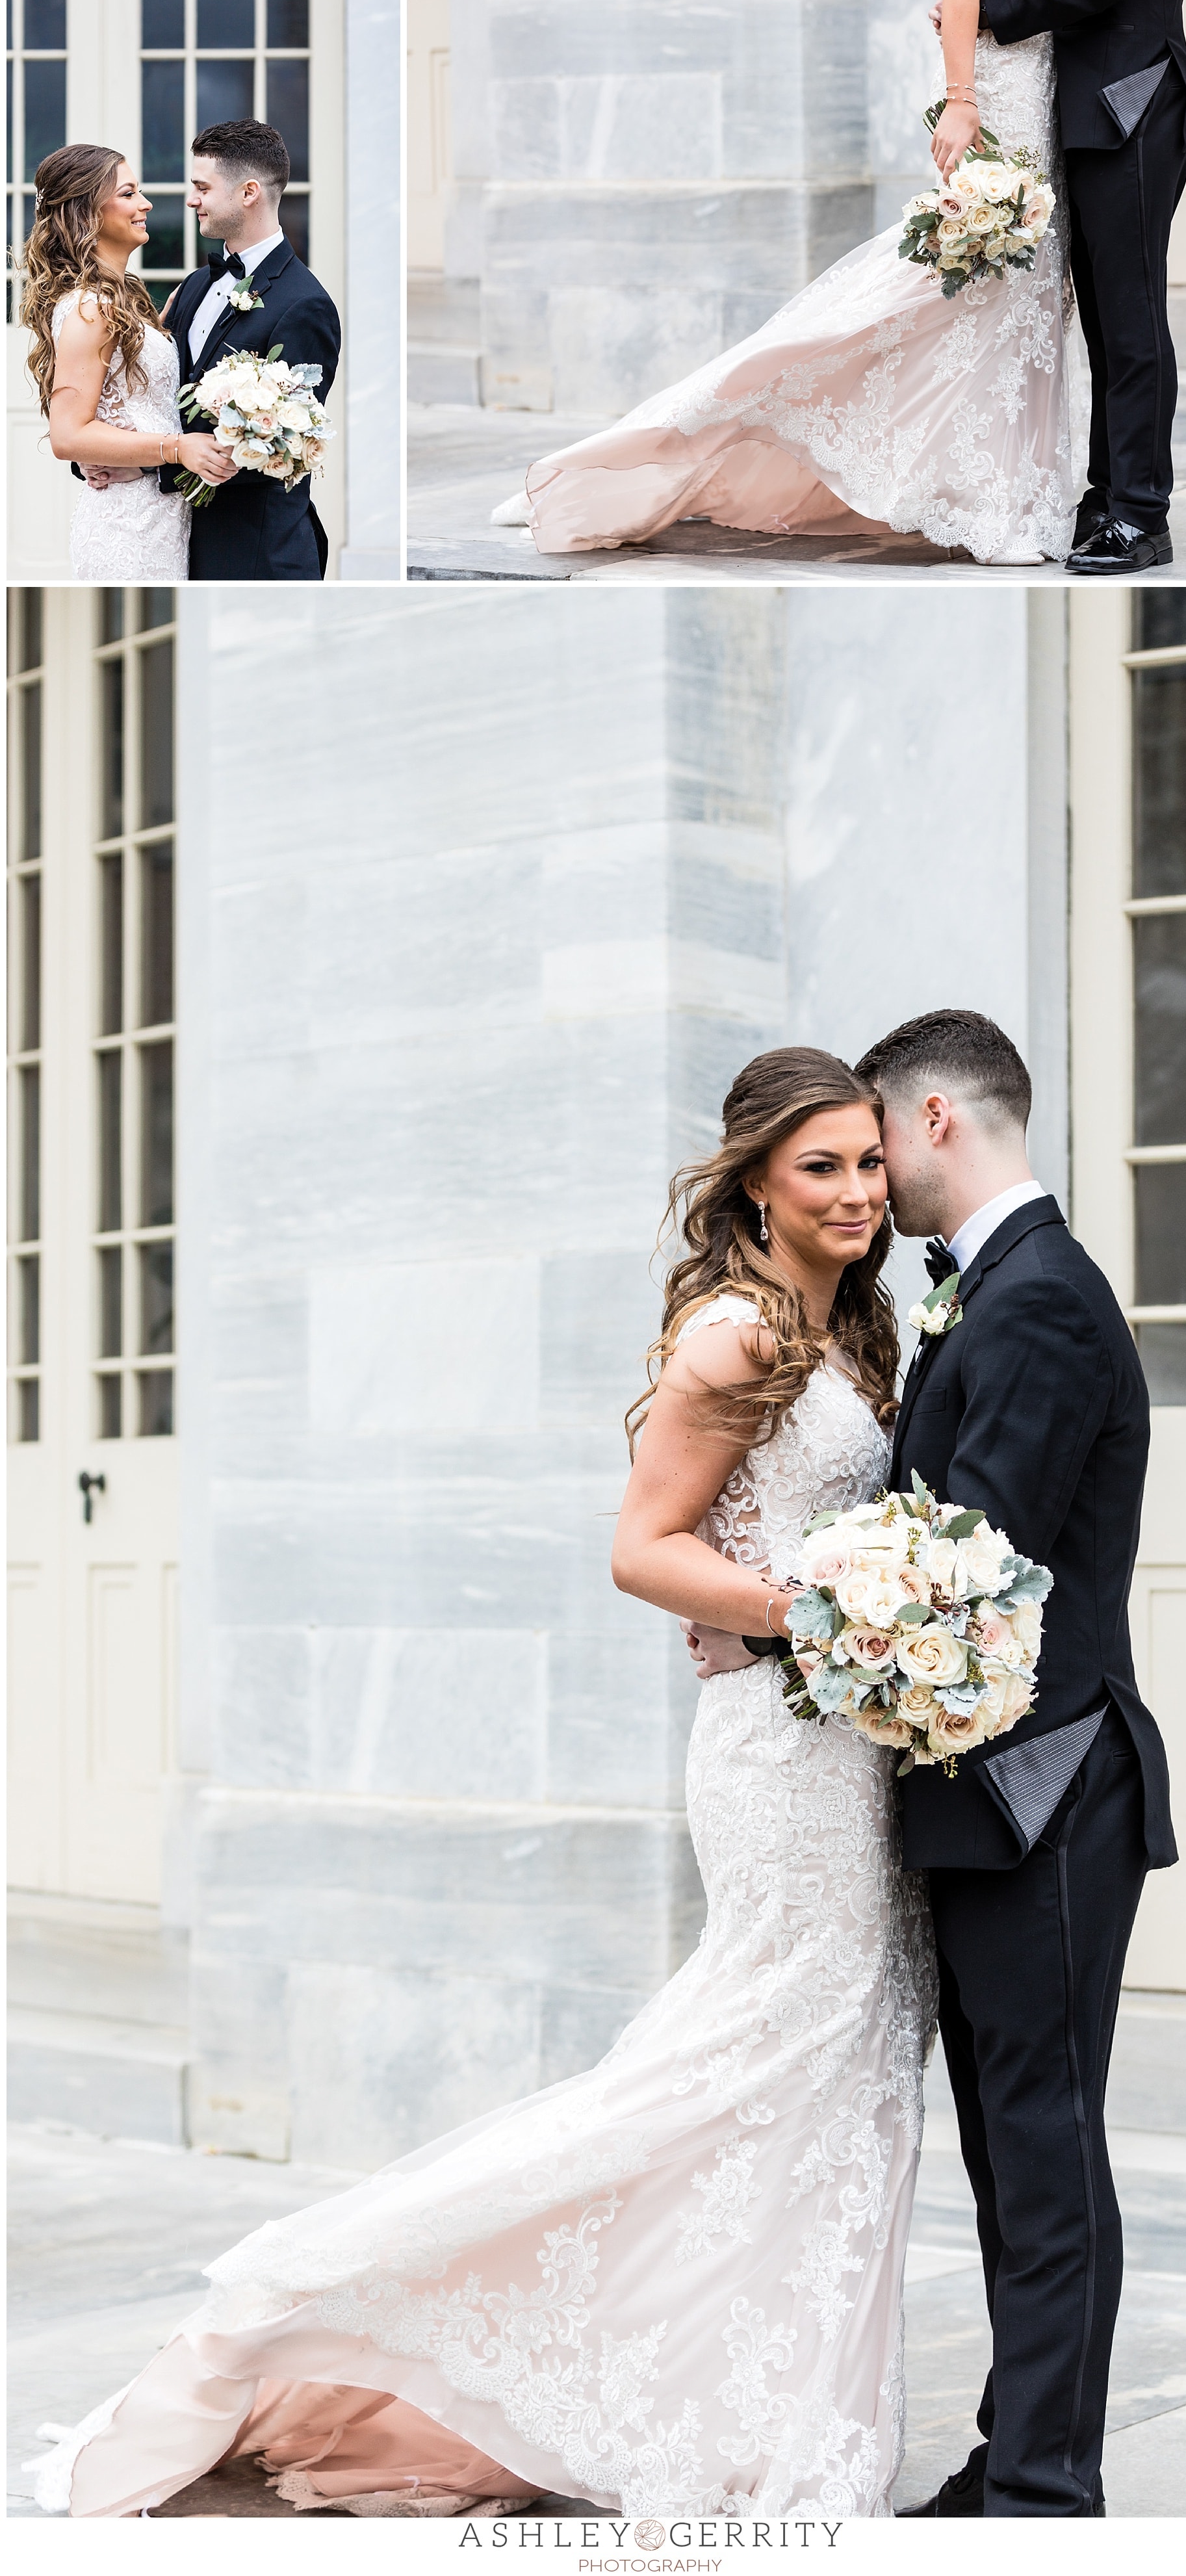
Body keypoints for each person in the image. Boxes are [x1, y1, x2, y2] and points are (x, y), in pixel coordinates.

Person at [31, 1049, 936, 2520]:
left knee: (831, 2074)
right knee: (732, 2061)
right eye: (818, 1164)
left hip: (854, 1745)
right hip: (779, 1753)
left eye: (865, 1160)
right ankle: (319, 2282)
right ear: (755, 1178)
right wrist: (835, 1615)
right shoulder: (730, 1335)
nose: (852, 1188)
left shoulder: (857, 1332)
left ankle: (749, 2383)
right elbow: (641, 1544)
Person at [855, 1008, 1177, 2516]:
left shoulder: (1038, 1297)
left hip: (1042, 1776)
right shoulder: (990, 1290)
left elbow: (965, 1554)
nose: (870, 1174)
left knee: (1039, 2132)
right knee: (1007, 2135)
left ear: (934, 1116)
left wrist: (783, 1616)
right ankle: (1016, 2443)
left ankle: (1046, 2489)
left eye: (874, 1137)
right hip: (988, 1784)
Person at [492, 0, 1085, 567]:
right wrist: (962, 98)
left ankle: (1004, 500)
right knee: (962, 277)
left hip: (1040, 85)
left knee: (1017, 294)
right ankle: (615, 464)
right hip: (991, 86)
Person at [977, 0, 1186, 576]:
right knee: (1105, 327)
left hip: (1134, 101)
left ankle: (1143, 515)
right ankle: (1108, 497)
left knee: (1133, 318)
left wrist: (991, 8)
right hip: (1090, 112)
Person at [19, 145, 235, 583]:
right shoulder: (89, 308)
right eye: (129, 193)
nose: (146, 204)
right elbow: (68, 434)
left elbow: (128, 401)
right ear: (88, 213)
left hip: (160, 518)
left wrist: (161, 329)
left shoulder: (122, 304)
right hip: (126, 531)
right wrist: (177, 449)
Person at [151, 119, 341, 580]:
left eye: (202, 187)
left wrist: (146, 467)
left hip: (258, 556)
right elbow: (158, 396)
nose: (192, 200)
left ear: (248, 192)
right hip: (177, 542)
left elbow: (285, 446)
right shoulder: (197, 285)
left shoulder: (304, 304)